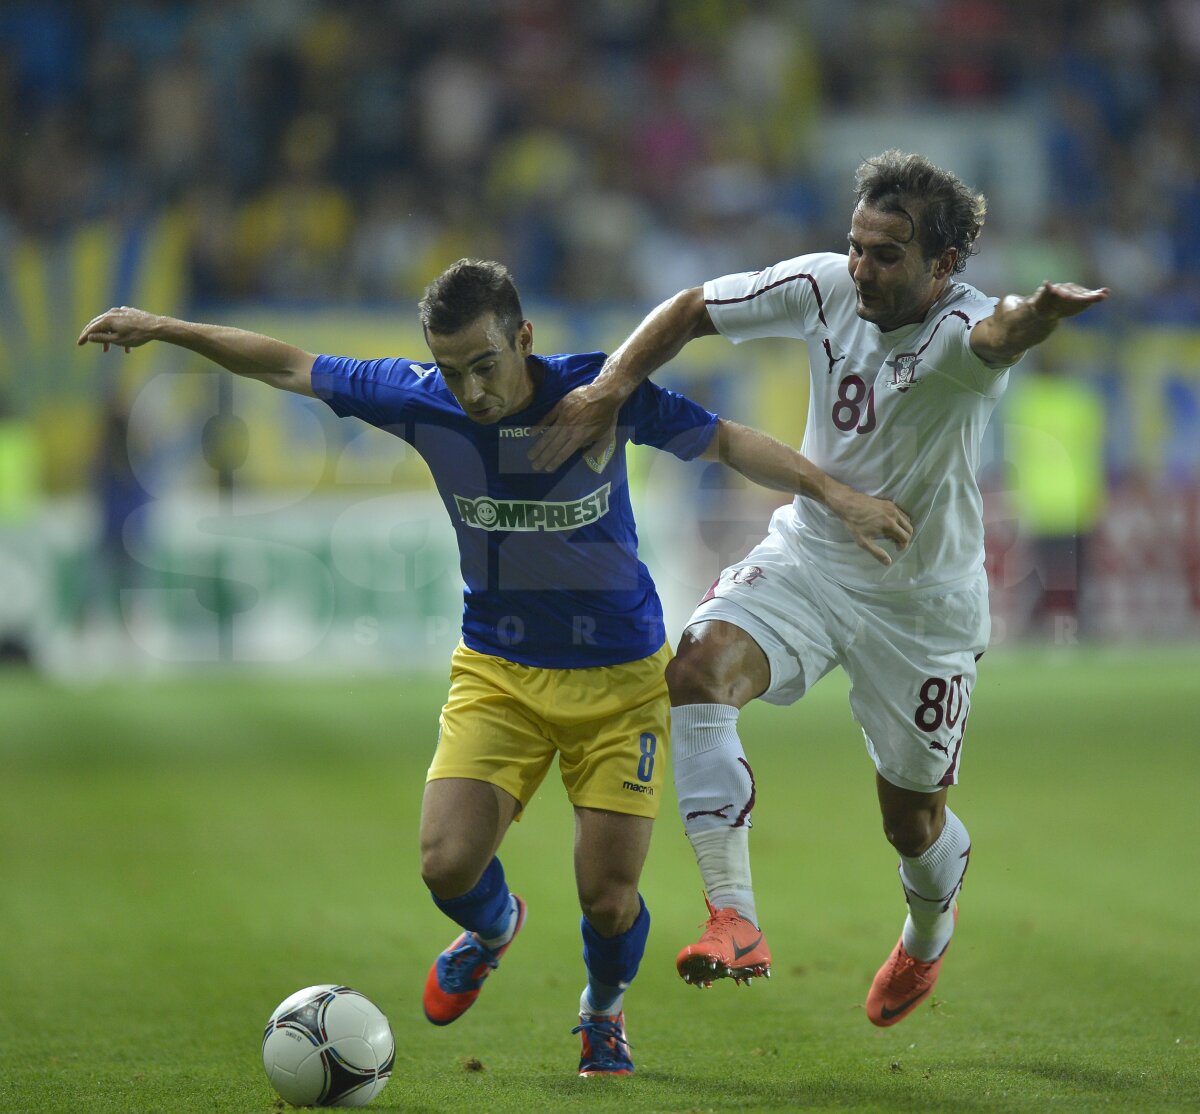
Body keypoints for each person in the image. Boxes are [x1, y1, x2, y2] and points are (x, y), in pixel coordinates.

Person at [77, 259, 911, 1072]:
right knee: (445, 865)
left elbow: (726, 441)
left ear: (524, 338)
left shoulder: (598, 393)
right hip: (499, 672)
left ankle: (602, 1012)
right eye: (452, 370)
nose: (471, 391)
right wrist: (164, 328)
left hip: (622, 681)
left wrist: (836, 497)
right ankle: (493, 925)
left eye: (484, 364)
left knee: (607, 900)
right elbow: (287, 364)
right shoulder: (418, 399)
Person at [529, 152, 1110, 1026]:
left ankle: (926, 933)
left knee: (912, 825)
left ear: (944, 265)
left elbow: (1003, 334)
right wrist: (610, 388)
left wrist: (1041, 314)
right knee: (697, 668)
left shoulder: (962, 327)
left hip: (922, 607)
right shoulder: (822, 284)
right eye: (856, 246)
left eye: (887, 255)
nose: (862, 269)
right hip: (810, 557)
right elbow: (691, 308)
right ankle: (734, 918)